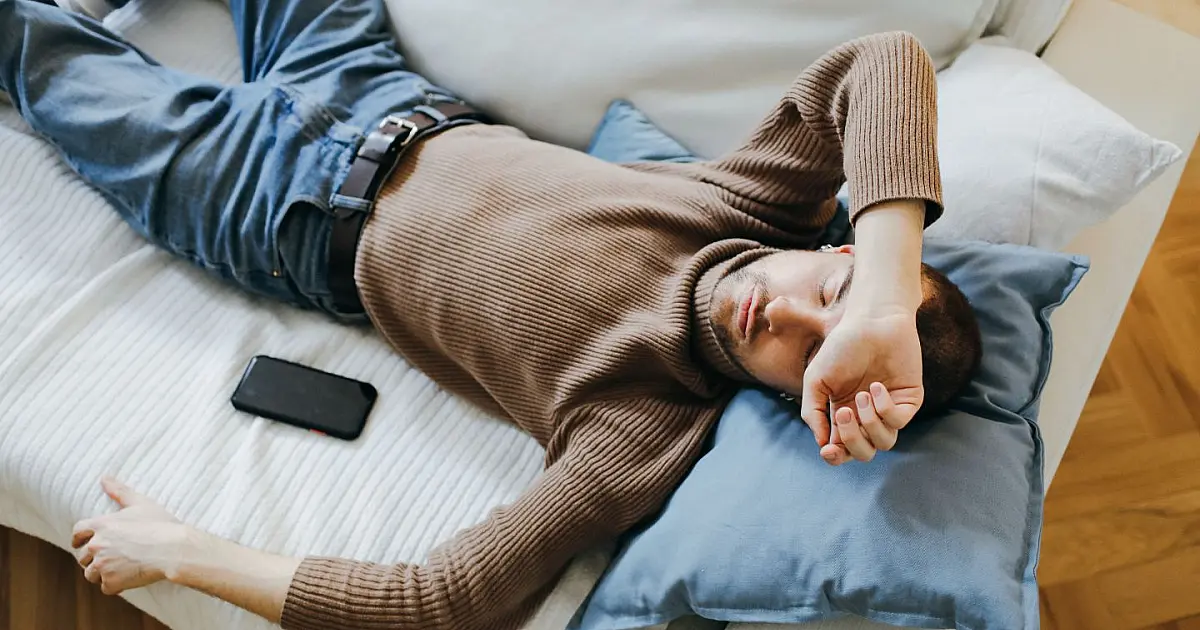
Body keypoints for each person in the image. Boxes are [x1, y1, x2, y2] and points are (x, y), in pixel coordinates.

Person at [0, 0, 983, 627]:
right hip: (375, 84)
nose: (793, 317)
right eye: (831, 296)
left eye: (810, 358)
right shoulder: (755, 207)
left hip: (273, 211)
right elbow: (886, 59)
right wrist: (888, 298)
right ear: (842, 247)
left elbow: (444, 603)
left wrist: (185, 552)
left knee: (28, 50)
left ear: (801, 406)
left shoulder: (645, 424)